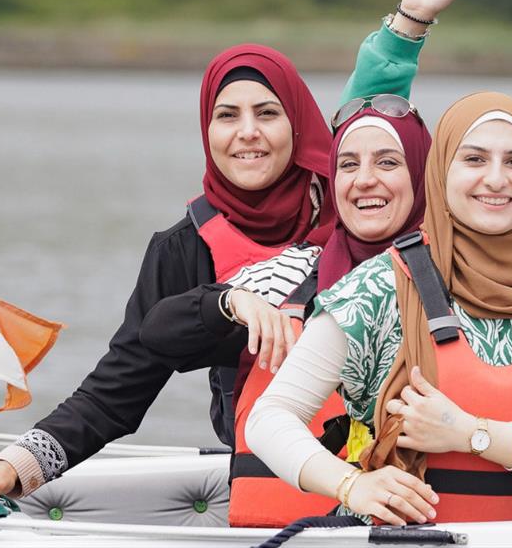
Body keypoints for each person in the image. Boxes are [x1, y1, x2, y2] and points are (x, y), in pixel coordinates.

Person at [0, 42, 337, 499]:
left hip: (384, 476)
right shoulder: (183, 248)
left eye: (267, 114)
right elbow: (117, 391)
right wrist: (13, 467)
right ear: (207, 130)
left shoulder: (356, 212)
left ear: (298, 124)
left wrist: (410, 20)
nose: (247, 132)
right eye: (227, 116)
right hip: (268, 490)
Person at [246, 92, 512, 525]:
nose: (495, 179)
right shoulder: (379, 287)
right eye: (473, 160)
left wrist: (469, 433)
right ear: (440, 172)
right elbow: (269, 418)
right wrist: (351, 484)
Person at [142, 99, 431, 527]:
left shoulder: (462, 283)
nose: (365, 180)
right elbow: (156, 333)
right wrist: (230, 302)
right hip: (289, 531)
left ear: (424, 174)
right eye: (348, 165)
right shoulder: (293, 272)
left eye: (388, 162)